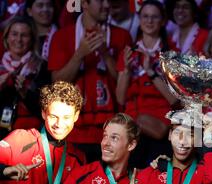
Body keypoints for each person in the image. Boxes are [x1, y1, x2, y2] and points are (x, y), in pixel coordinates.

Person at [48, 0, 132, 162]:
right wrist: (80, 54)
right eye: (100, 1)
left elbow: (125, 85)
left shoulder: (122, 36)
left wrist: (105, 54)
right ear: (84, 4)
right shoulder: (63, 36)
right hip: (73, 131)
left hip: (110, 130)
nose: (107, 5)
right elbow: (57, 83)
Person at [116, 0, 177, 168]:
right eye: (145, 16)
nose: (149, 21)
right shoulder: (129, 52)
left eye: (155, 17)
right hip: (134, 127)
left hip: (160, 125)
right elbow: (120, 98)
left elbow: (174, 99)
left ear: (163, 21)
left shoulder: (171, 54)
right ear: (139, 19)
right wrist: (127, 70)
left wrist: (150, 72)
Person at [0, 16, 51, 138]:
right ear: (6, 38)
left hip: (33, 134)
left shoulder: (41, 67)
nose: (19, 39)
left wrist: (25, 93)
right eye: (14, 34)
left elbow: (47, 109)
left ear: (32, 40)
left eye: (24, 35)